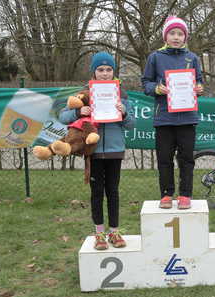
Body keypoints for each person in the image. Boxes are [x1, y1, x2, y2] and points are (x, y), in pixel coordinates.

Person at [59, 51, 135, 250]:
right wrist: (78, 111)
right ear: (94, 72)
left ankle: (114, 232)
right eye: (100, 69)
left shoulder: (122, 94)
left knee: (113, 191)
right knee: (97, 192)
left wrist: (124, 113)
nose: (105, 73)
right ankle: (99, 234)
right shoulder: (84, 93)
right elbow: (63, 116)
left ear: (113, 71)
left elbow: (131, 124)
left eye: (109, 69)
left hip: (114, 150)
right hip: (92, 151)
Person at [141, 16, 204, 210]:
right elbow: (146, 83)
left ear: (185, 37)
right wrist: (156, 89)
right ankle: (166, 194)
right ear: (165, 36)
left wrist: (199, 88)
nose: (176, 37)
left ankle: (185, 194)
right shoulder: (155, 57)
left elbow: (199, 81)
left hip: (187, 118)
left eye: (180, 34)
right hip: (164, 118)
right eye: (172, 33)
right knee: (164, 159)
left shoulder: (192, 58)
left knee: (187, 159)